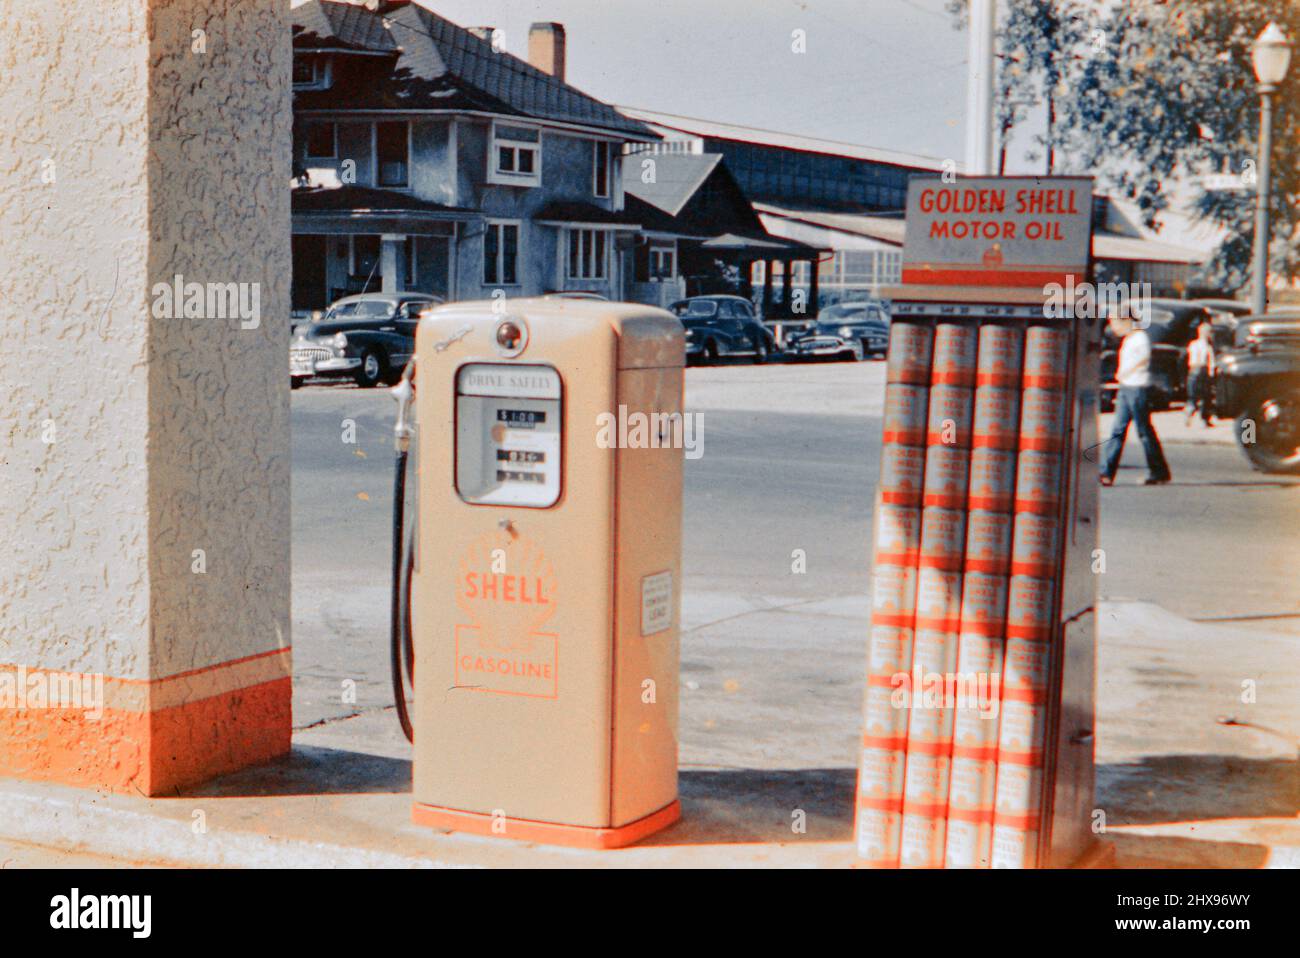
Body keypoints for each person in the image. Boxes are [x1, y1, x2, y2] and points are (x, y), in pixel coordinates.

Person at [1100, 315, 1171, 486]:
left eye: (1116, 324)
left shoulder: (1140, 338)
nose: (1114, 329)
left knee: (1144, 431)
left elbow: (1143, 358)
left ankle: (1158, 471)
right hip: (1126, 387)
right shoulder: (1128, 339)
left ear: (1126, 321)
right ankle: (1106, 472)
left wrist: (1124, 373)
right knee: (1118, 429)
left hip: (1137, 387)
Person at [1185, 322, 1216, 427]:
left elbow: (1189, 360)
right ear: (1207, 334)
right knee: (1205, 397)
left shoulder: (1192, 344)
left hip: (1193, 371)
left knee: (1192, 397)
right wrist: (1212, 375)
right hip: (1203, 371)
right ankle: (1204, 420)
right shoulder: (1208, 347)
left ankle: (1189, 413)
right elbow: (1211, 362)